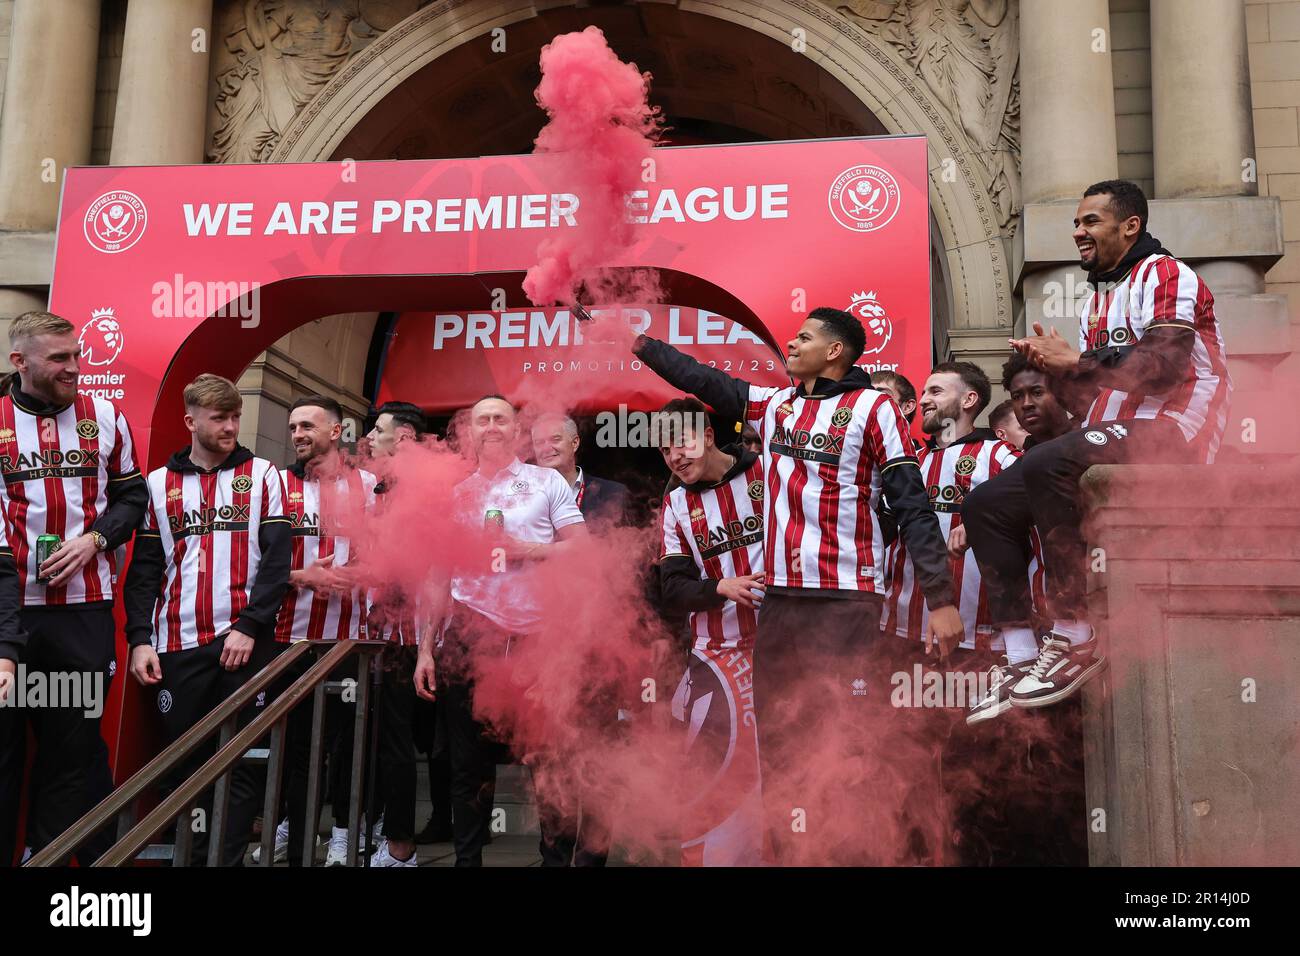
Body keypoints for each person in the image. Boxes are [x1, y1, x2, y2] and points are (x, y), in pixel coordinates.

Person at [595, 307, 962, 863]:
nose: (791, 343)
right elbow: (700, 378)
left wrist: (941, 599)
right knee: (783, 747)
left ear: (835, 351)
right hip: (783, 605)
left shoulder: (874, 406)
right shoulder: (776, 407)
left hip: (845, 601)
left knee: (845, 741)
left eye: (805, 337)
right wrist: (637, 342)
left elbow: (911, 504)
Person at [962, 179, 1231, 709]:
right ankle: (1018, 653)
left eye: (1090, 222)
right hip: (1119, 429)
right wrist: (1055, 371)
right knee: (985, 504)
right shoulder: (1098, 301)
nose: (1077, 232)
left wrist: (1075, 364)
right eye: (1076, 222)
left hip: (1177, 430)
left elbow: (1164, 368)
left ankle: (1075, 632)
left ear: (1130, 225)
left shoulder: (1166, 274)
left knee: (1046, 464)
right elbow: (1100, 390)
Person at [413, 395, 589, 867]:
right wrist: (425, 650)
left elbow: (582, 550)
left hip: (537, 638)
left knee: (549, 761)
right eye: (481, 419)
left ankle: (554, 860)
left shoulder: (546, 481)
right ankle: (467, 861)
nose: (490, 426)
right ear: (469, 432)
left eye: (500, 418)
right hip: (471, 636)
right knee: (466, 767)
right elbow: (438, 578)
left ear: (517, 430)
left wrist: (525, 548)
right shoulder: (456, 493)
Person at [124, 373, 291, 866]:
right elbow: (145, 571)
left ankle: (226, 859)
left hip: (244, 641)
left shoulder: (264, 475)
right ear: (190, 420)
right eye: (220, 417)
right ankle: (190, 857)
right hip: (175, 642)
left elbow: (277, 561)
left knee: (240, 762)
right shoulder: (158, 483)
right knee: (181, 761)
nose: (231, 426)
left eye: (236, 416)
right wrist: (140, 639)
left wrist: (250, 626)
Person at [0, 311, 147, 866]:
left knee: (71, 750)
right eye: (59, 358)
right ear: (21, 361)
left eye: (76, 355)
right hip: (9, 619)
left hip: (80, 617)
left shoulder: (105, 416)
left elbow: (133, 498)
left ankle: (52, 861)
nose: (74, 367)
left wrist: (96, 540)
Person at [655, 398, 766, 865]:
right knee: (706, 771)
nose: (674, 457)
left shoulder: (770, 474)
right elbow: (672, 589)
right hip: (714, 657)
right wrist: (719, 586)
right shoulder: (676, 505)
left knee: (788, 768)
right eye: (663, 451)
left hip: (782, 647)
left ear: (705, 434)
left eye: (680, 443)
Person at [272, 396, 378, 867]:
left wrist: (369, 573)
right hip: (286, 639)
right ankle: (294, 831)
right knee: (293, 744)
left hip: (348, 641)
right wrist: (299, 576)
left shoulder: (370, 486)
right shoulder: (272, 485)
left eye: (307, 426)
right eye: (292, 426)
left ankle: (341, 832)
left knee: (344, 743)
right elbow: (255, 558)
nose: (297, 434)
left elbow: (394, 550)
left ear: (336, 432)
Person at [356, 400, 428, 867]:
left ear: (401, 438)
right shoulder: (376, 488)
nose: (367, 439)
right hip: (368, 631)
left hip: (404, 636)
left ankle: (401, 846)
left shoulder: (424, 489)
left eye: (377, 431)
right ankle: (375, 826)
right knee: (370, 736)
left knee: (397, 741)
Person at [531, 412, 629, 530]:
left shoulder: (613, 493)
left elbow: (628, 544)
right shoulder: (521, 495)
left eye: (555, 440)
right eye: (539, 443)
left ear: (575, 443)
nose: (546, 448)